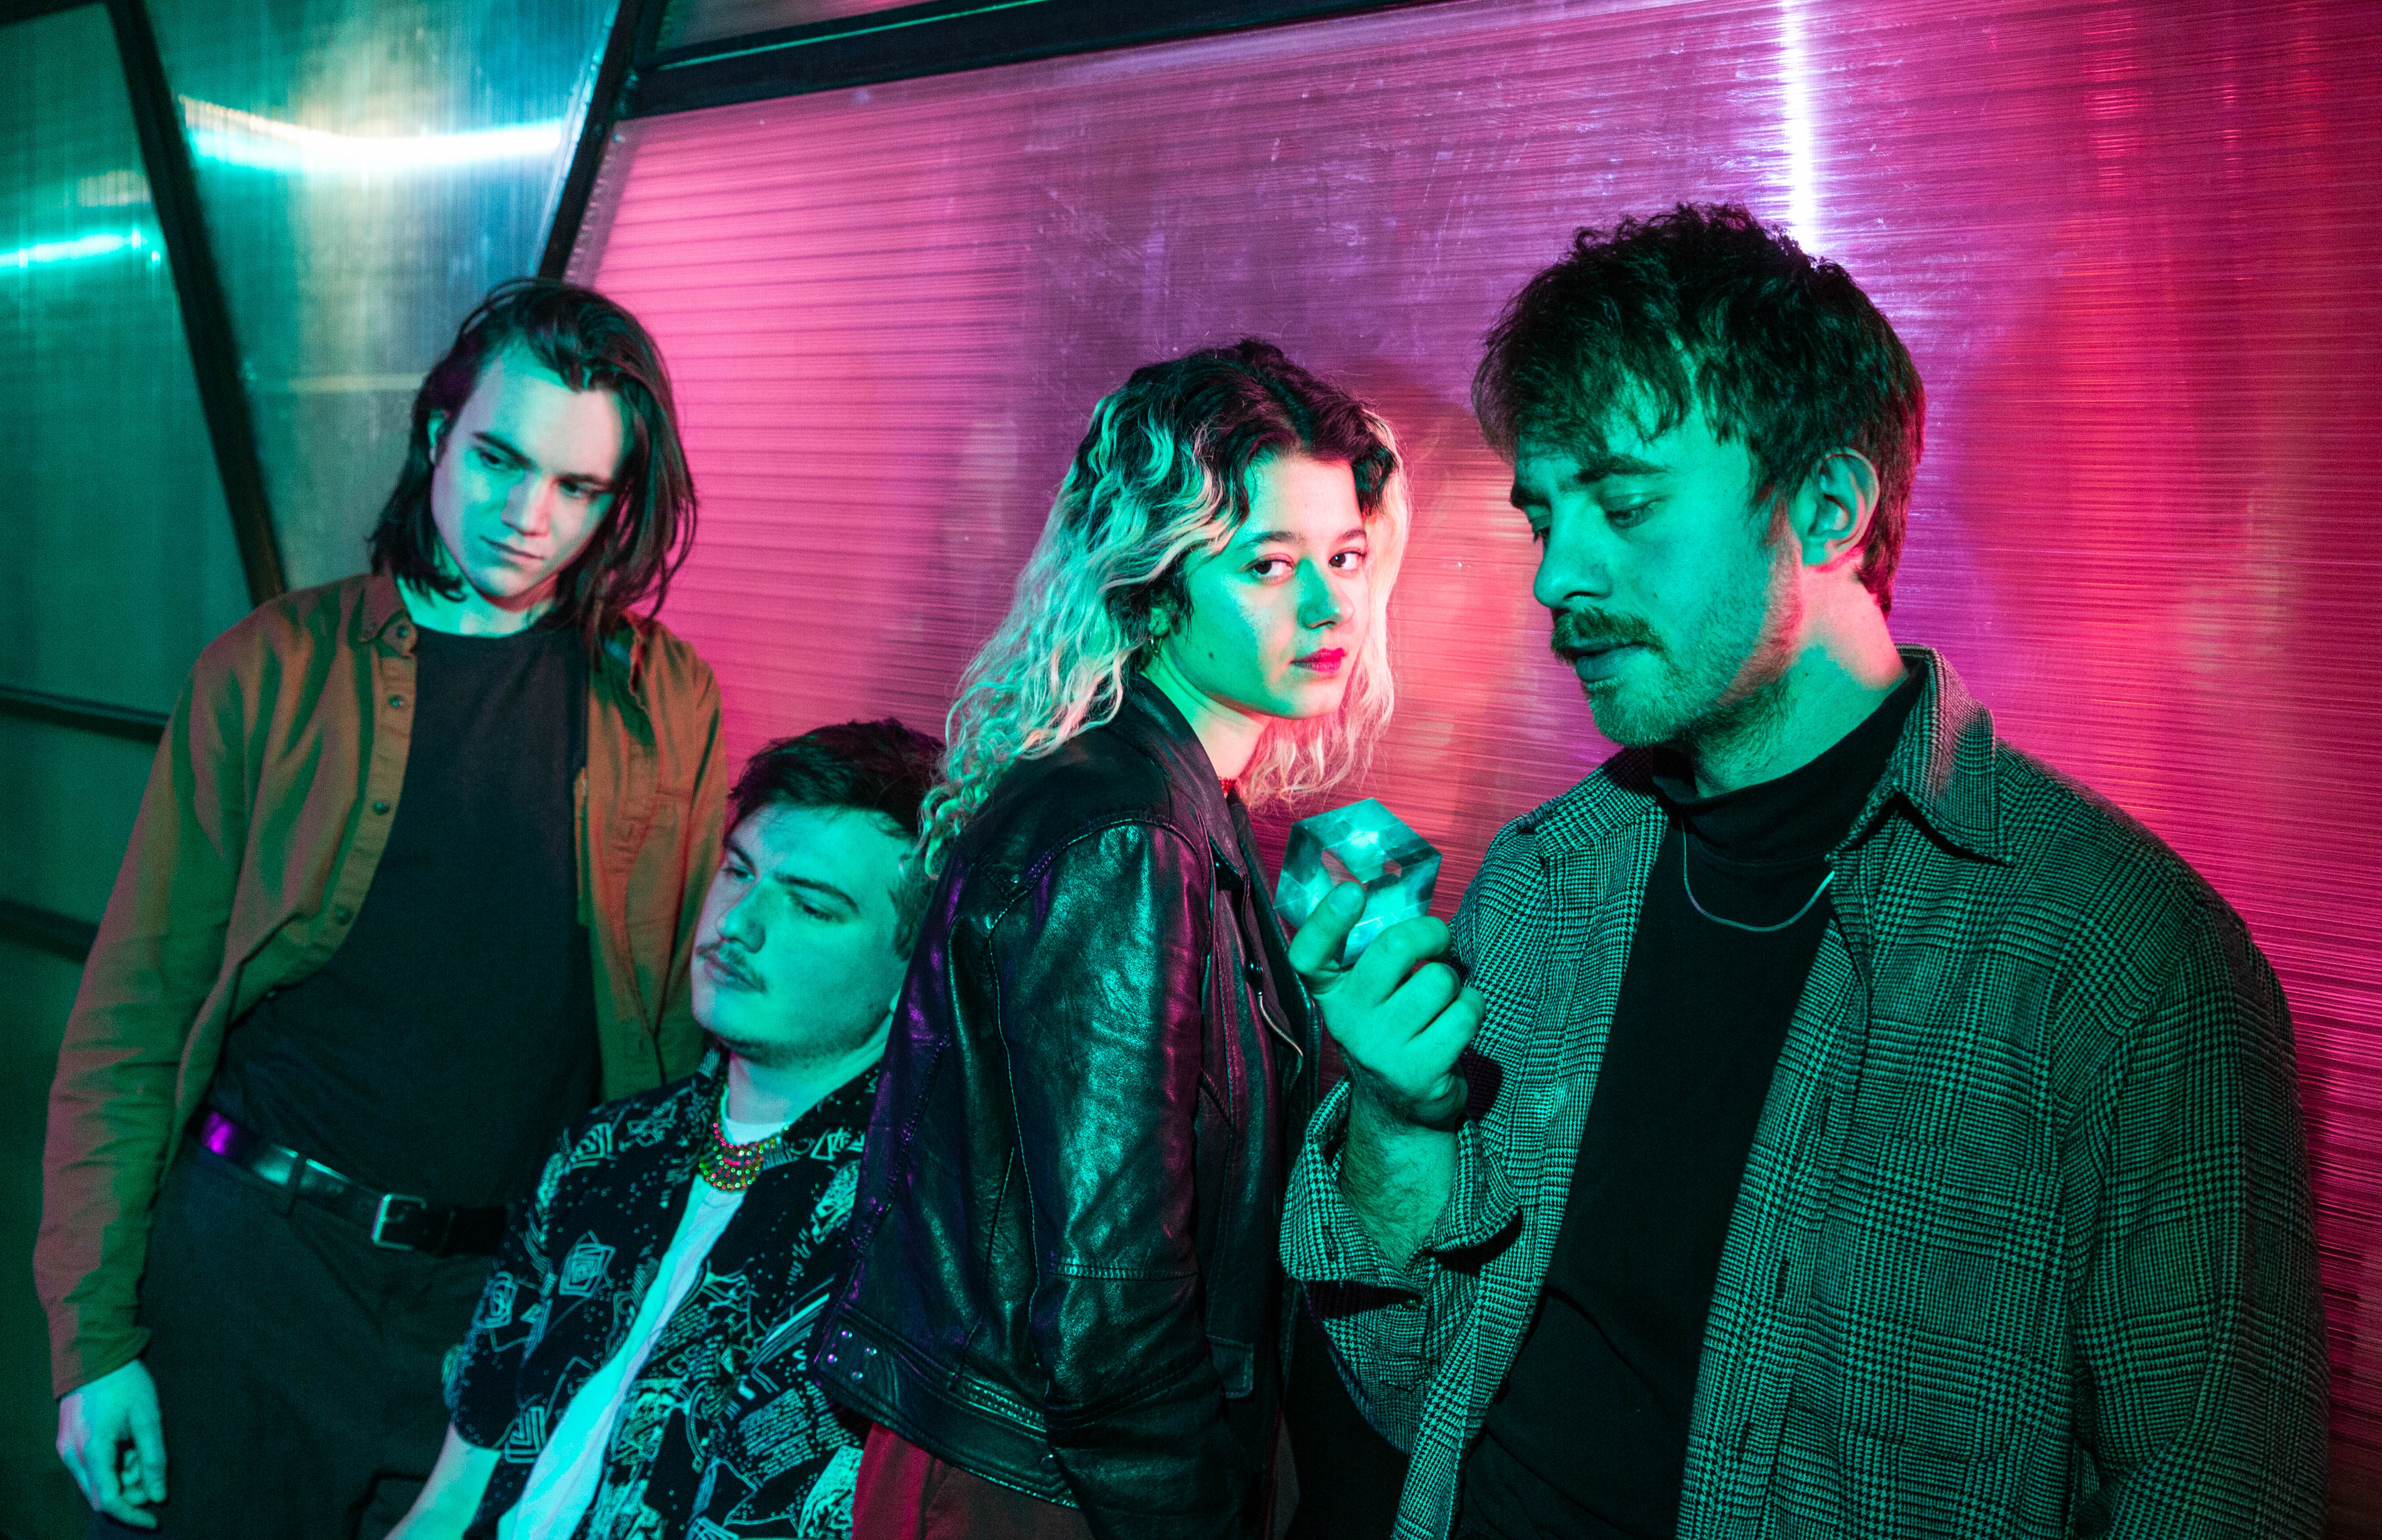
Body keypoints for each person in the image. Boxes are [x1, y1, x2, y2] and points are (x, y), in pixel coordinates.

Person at [1281, 204, 2326, 1539]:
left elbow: (2215, 1491)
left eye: (1625, 503)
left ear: (1828, 509)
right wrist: (1392, 1117)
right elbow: (1410, 1380)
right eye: (1544, 517)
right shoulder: (1544, 883)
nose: (1557, 575)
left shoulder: (2114, 963)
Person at [41, 278, 726, 1537]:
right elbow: (135, 1018)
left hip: (501, 1306)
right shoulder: (272, 668)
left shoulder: (664, 700)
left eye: (578, 487)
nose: (528, 516)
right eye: (500, 459)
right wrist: (93, 1342)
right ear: (437, 434)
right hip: (255, 1272)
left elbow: (682, 1037)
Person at [813, 339, 1407, 1538]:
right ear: (1150, 584)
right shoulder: (1127, 832)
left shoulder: (1176, 803)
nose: (1326, 605)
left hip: (1056, 1469)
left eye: (1344, 557)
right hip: (1036, 1490)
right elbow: (1109, 1294)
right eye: (1267, 564)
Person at [390, 718, 942, 1540]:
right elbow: (454, 1492)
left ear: (912, 972)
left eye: (811, 906)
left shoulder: (905, 1230)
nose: (740, 924)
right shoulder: (603, 1152)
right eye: (739, 871)